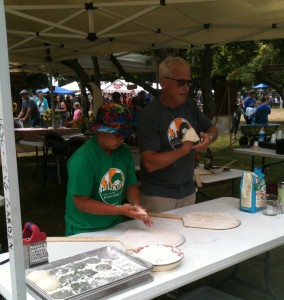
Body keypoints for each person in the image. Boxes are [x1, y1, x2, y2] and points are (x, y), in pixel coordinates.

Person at [137, 56, 218, 213]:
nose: (186, 88)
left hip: (188, 190)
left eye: (189, 82)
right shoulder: (150, 115)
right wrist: (183, 150)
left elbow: (212, 128)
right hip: (159, 196)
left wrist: (209, 138)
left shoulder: (189, 105)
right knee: (162, 238)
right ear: (164, 82)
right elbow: (150, 163)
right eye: (181, 82)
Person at [65, 103, 153, 236]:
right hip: (83, 229)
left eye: (124, 135)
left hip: (115, 225)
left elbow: (131, 186)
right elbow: (82, 203)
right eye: (117, 134)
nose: (121, 139)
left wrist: (136, 204)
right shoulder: (82, 160)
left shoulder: (123, 152)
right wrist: (119, 210)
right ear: (99, 130)